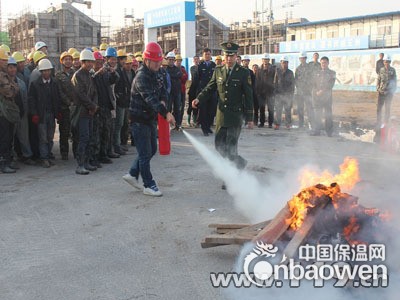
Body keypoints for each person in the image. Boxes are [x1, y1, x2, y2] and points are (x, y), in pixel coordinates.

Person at [192, 41, 254, 189]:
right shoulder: (218, 70)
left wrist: (250, 118)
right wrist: (198, 98)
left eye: (232, 55)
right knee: (219, 146)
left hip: (235, 116)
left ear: (236, 56)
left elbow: (249, 96)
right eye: (227, 55)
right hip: (221, 115)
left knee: (231, 147)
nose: (229, 58)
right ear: (223, 56)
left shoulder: (244, 72)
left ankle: (230, 178)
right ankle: (240, 164)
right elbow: (210, 87)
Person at [122, 42, 176, 197]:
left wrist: (164, 102)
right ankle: (148, 184)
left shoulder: (158, 72)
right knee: (145, 153)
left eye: (160, 61)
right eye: (156, 61)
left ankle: (133, 173)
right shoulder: (141, 77)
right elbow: (151, 99)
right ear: (146, 60)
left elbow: (164, 90)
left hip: (150, 119)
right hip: (139, 120)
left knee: (152, 149)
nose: (159, 64)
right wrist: (166, 113)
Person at [28, 59, 60, 168]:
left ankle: (48, 155)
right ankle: (44, 158)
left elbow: (57, 99)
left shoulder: (54, 83)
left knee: (50, 137)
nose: (46, 73)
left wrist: (58, 112)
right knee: (43, 138)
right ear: (41, 72)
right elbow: (31, 100)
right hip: (41, 115)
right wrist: (34, 114)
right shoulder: (35, 84)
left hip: (51, 114)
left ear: (50, 71)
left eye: (48, 70)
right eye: (44, 71)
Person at [71, 49, 98, 175]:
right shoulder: (78, 76)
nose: (90, 64)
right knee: (83, 137)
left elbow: (93, 92)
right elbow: (81, 95)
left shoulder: (89, 75)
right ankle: (80, 164)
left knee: (89, 137)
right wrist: (91, 106)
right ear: (82, 62)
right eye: (88, 62)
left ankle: (86, 162)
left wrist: (93, 106)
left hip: (89, 111)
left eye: (91, 62)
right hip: (81, 112)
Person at [0, 51, 20, 173]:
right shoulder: (2, 76)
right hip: (3, 112)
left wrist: (13, 87)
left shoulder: (5, 74)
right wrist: (14, 88)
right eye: (4, 60)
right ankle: (4, 163)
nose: (6, 63)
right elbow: (10, 92)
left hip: (5, 111)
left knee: (7, 137)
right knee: (5, 138)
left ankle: (6, 161)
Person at [55, 51, 75, 160]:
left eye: (69, 59)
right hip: (64, 108)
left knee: (75, 130)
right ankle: (64, 153)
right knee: (64, 131)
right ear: (62, 61)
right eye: (65, 59)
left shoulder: (75, 73)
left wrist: (74, 102)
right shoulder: (58, 75)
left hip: (75, 107)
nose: (68, 61)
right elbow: (59, 92)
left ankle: (76, 152)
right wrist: (68, 102)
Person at [114, 55, 135, 154]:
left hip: (127, 101)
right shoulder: (118, 72)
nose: (128, 65)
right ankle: (117, 144)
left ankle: (123, 143)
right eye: (126, 62)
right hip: (120, 102)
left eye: (130, 63)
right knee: (119, 124)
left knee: (125, 123)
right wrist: (119, 97)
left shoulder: (132, 73)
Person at [311, 56, 336, 136]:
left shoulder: (332, 73)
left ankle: (329, 132)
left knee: (328, 114)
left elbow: (331, 84)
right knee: (317, 114)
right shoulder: (316, 73)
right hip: (318, 97)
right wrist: (316, 92)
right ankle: (317, 131)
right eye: (322, 63)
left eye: (325, 63)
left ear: (328, 63)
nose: (323, 64)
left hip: (327, 97)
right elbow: (314, 84)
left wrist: (322, 91)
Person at [195, 48, 217, 136]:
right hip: (203, 91)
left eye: (209, 54)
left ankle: (208, 126)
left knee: (211, 110)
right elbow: (196, 80)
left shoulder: (213, 65)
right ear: (203, 55)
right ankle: (204, 128)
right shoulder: (200, 66)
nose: (207, 55)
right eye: (206, 54)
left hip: (212, 91)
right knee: (203, 110)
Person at [274, 56, 295, 130]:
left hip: (287, 95)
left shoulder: (290, 72)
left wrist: (291, 95)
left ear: (288, 63)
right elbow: (275, 83)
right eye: (283, 63)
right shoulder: (277, 71)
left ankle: (288, 124)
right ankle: (277, 124)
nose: (284, 64)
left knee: (287, 110)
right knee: (278, 110)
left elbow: (293, 84)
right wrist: (275, 93)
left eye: (286, 63)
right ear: (281, 63)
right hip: (279, 95)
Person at [376, 55, 397, 129]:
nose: (387, 63)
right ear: (383, 62)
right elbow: (378, 79)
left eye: (388, 62)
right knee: (379, 108)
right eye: (385, 62)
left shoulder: (393, 70)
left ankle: (386, 122)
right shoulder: (381, 70)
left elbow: (394, 80)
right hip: (381, 92)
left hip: (389, 93)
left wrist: (393, 90)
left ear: (390, 62)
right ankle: (378, 121)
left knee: (387, 108)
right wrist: (378, 88)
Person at [255, 53, 275, 128]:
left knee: (271, 108)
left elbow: (275, 80)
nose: (265, 61)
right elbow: (257, 81)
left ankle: (270, 123)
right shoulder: (259, 70)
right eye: (264, 59)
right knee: (262, 108)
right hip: (261, 92)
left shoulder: (273, 69)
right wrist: (257, 92)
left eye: (266, 59)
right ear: (262, 60)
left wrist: (274, 90)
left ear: (269, 60)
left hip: (270, 92)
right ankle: (262, 122)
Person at [295, 51, 314, 129]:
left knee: (309, 108)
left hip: (307, 92)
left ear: (306, 58)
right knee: (300, 109)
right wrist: (298, 89)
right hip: (299, 92)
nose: (302, 59)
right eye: (301, 58)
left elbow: (313, 79)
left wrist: (310, 88)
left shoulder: (310, 67)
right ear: (299, 59)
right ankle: (301, 124)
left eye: (303, 58)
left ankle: (311, 123)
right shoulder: (298, 68)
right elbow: (295, 79)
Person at [165, 51, 183, 130]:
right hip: (169, 93)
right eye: (170, 59)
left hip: (177, 92)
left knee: (177, 109)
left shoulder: (177, 68)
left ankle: (177, 124)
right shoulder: (165, 69)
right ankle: (167, 125)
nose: (171, 61)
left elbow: (180, 75)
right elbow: (176, 76)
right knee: (168, 109)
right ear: (167, 59)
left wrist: (173, 76)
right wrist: (174, 76)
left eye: (172, 59)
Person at [175, 54, 188, 128]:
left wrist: (179, 76)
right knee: (176, 107)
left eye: (179, 61)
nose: (178, 62)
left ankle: (179, 123)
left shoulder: (183, 69)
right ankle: (175, 123)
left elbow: (185, 78)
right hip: (175, 91)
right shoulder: (173, 69)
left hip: (182, 90)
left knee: (182, 107)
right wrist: (180, 76)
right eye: (177, 61)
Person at [187, 55, 200, 126]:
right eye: (195, 59)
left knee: (196, 105)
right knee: (190, 105)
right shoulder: (192, 68)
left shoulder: (200, 67)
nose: (196, 60)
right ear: (193, 60)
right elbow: (195, 75)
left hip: (198, 89)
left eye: (197, 59)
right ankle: (188, 120)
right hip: (192, 88)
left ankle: (194, 121)